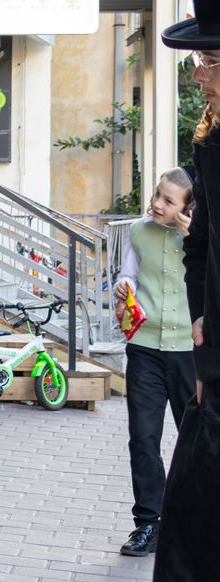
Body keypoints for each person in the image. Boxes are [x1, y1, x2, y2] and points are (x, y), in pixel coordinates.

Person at [154, 0, 220, 582]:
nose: (198, 72)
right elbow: (200, 245)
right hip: (217, 375)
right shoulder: (211, 142)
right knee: (191, 546)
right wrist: (202, 322)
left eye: (209, 60)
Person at [113, 169, 195, 557]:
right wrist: (124, 286)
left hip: (189, 352)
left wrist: (194, 238)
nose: (157, 204)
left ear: (187, 208)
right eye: (158, 194)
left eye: (168, 200)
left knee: (196, 440)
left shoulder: (201, 239)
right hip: (144, 347)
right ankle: (149, 522)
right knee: (143, 437)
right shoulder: (138, 231)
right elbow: (128, 274)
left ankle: (196, 523)